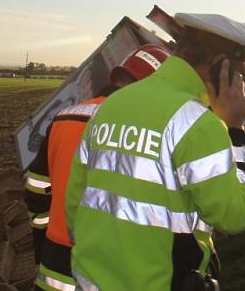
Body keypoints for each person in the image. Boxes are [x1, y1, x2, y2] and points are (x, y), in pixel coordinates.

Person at [65, 12, 245, 291]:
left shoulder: (112, 104)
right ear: (222, 67)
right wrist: (236, 131)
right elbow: (232, 215)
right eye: (241, 73)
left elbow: (74, 206)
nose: (242, 85)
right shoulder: (197, 123)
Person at [25, 44, 170, 291]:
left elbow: (37, 188)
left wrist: (43, 238)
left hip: (55, 263)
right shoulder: (147, 132)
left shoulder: (65, 118)